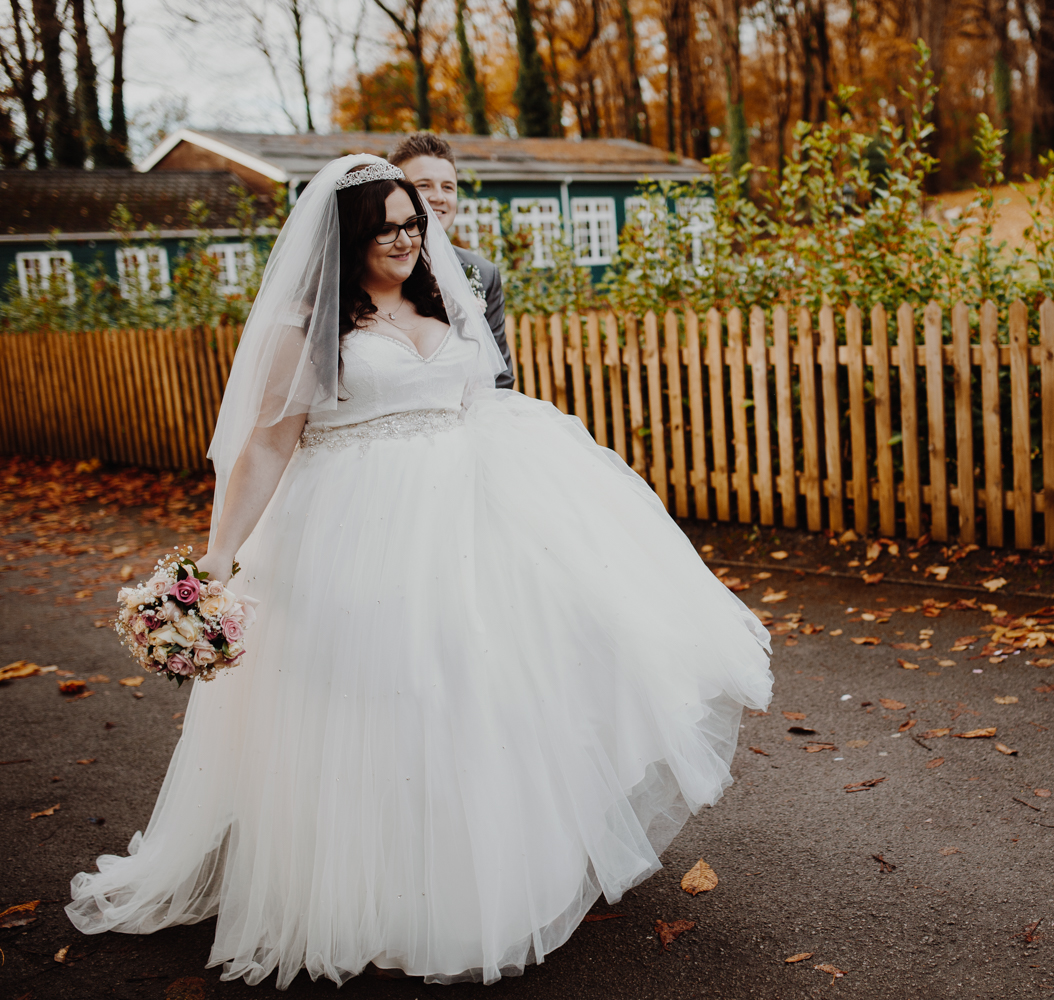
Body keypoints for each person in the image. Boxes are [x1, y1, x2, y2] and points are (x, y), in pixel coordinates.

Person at [65, 154, 773, 988]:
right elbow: (265, 447)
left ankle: (494, 875)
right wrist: (219, 555)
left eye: (412, 221)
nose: (406, 237)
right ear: (351, 235)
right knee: (395, 700)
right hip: (361, 526)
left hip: (478, 516)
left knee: (499, 690)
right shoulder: (310, 323)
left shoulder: (448, 292)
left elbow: (485, 396)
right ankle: (386, 891)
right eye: (387, 226)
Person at [388, 132, 512, 390]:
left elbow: (499, 377)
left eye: (448, 187)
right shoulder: (379, 266)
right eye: (423, 186)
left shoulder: (483, 273)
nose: (439, 197)